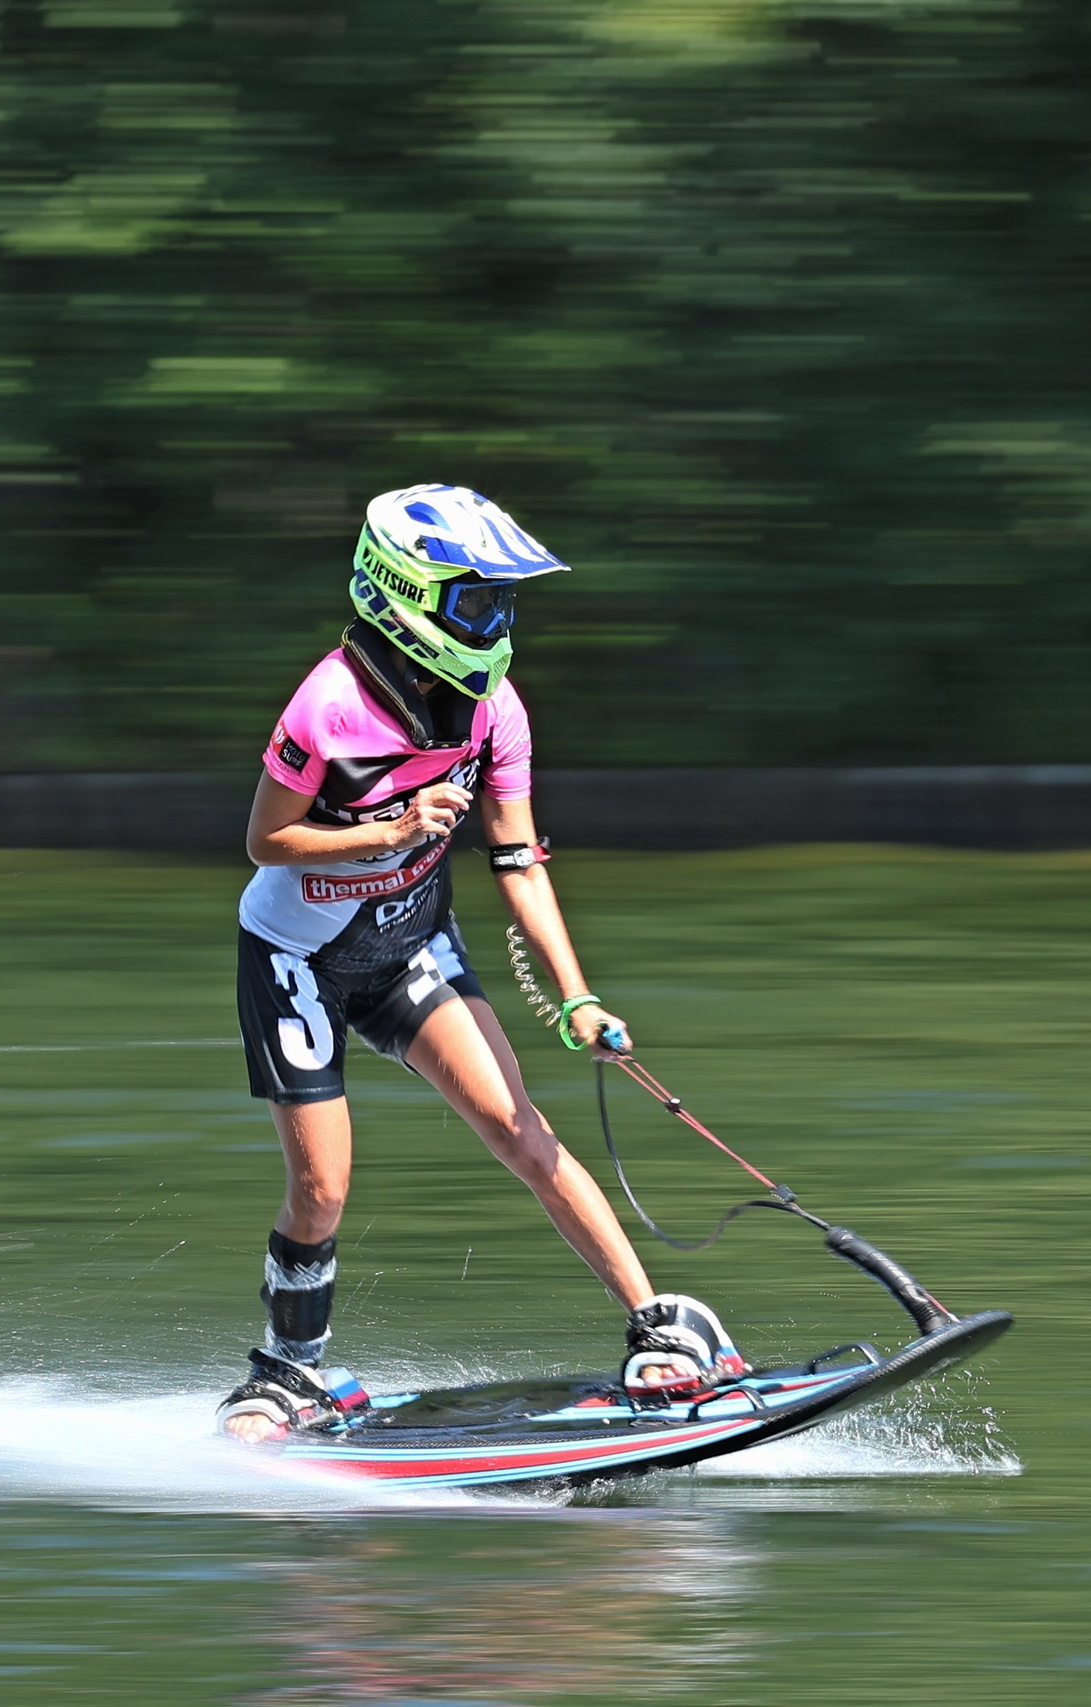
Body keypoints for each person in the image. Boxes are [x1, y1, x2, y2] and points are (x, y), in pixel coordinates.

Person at [222, 483, 744, 1442]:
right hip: (297, 954)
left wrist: (578, 996)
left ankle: (656, 1322)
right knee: (323, 1186)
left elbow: (518, 860)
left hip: (409, 941)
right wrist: (391, 827)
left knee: (521, 1127)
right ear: (406, 595)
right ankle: (286, 1372)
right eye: (477, 603)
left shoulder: (495, 709)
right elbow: (267, 839)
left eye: (505, 602)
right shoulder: (327, 705)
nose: (497, 622)